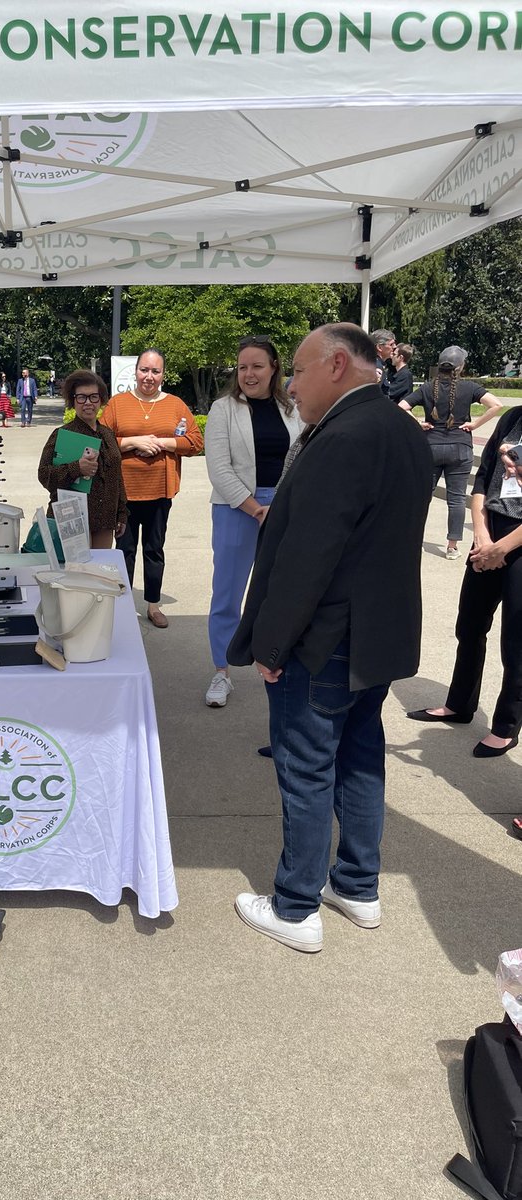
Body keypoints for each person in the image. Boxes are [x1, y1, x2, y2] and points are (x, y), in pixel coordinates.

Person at [228, 323, 432, 953]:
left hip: (326, 638)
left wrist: (270, 645)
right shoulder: (400, 428)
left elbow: (307, 557)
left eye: (298, 369)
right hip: (375, 636)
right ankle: (357, 886)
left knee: (307, 766)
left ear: (338, 365)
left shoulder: (345, 435)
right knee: (360, 757)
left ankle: (294, 906)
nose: (291, 383)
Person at [407, 413, 522, 759]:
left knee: (516, 641)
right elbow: (484, 476)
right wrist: (483, 536)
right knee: (469, 625)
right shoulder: (513, 418)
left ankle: (506, 726)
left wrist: (502, 549)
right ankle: (459, 704)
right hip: (489, 532)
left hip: (517, 541)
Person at [204, 336, 302, 708]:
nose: (248, 373)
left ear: (274, 367)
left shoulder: (292, 408)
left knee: (284, 592)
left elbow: (302, 457)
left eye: (257, 366)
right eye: (243, 367)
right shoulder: (222, 409)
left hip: (285, 507)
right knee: (227, 595)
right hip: (236, 509)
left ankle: (279, 664)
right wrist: (256, 509)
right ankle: (222, 671)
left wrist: (280, 506)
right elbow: (219, 468)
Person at [101, 349, 203, 627]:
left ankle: (153, 605)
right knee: (124, 550)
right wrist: (134, 442)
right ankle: (121, 606)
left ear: (163, 375)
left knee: (154, 549)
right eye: (144, 370)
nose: (149, 376)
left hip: (160, 491)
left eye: (155, 371)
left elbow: (195, 442)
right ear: (135, 371)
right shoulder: (117, 404)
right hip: (124, 494)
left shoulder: (175, 405)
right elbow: (101, 440)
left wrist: (163, 443)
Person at [399, 345, 502, 559]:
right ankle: (452, 546)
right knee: (456, 500)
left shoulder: (427, 388)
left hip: (431, 448)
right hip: (461, 448)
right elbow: (496, 404)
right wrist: (475, 425)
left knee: (422, 497)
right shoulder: (470, 388)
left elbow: (401, 407)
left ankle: (413, 540)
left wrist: (419, 423)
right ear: (460, 367)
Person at [37, 370, 127, 550]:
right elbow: (44, 475)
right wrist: (76, 468)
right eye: (81, 397)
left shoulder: (108, 435)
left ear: (101, 400)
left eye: (93, 397)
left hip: (104, 522)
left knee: (97, 574)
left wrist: (122, 513)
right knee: (74, 575)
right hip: (71, 521)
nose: (88, 403)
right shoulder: (62, 435)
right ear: (73, 400)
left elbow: (117, 477)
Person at [371, 329, 396, 398]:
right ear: (379, 347)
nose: (395, 347)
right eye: (391, 344)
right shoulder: (376, 366)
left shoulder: (376, 363)